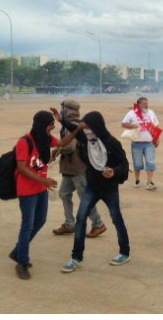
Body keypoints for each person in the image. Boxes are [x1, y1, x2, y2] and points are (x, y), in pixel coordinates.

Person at [56, 109, 133, 274]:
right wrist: (61, 120)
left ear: (97, 127)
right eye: (85, 128)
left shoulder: (111, 143)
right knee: (81, 218)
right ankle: (76, 257)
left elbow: (124, 164)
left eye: (89, 127)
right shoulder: (86, 138)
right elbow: (74, 128)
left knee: (116, 218)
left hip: (109, 188)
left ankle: (124, 252)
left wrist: (113, 171)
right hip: (92, 187)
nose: (86, 131)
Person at [11, 111, 80, 280]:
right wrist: (44, 181)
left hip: (40, 189)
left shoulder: (45, 140)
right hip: (27, 190)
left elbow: (62, 142)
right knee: (27, 224)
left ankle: (18, 250)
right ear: (42, 125)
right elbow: (21, 167)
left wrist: (77, 130)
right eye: (50, 125)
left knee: (40, 221)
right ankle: (22, 262)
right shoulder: (25, 141)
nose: (53, 127)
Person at [52, 99, 106, 238]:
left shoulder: (73, 126)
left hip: (77, 167)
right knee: (64, 193)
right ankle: (70, 224)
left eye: (63, 108)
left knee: (85, 197)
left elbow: (69, 147)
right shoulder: (73, 124)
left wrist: (57, 149)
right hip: (69, 167)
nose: (61, 111)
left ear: (68, 110)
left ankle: (98, 224)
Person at [122, 97, 160, 190]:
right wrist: (133, 126)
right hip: (136, 143)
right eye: (144, 103)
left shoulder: (151, 113)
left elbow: (156, 125)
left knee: (150, 162)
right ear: (138, 104)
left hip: (149, 143)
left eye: (146, 103)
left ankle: (149, 182)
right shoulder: (132, 113)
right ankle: (137, 180)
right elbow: (123, 123)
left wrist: (157, 138)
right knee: (137, 163)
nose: (146, 105)